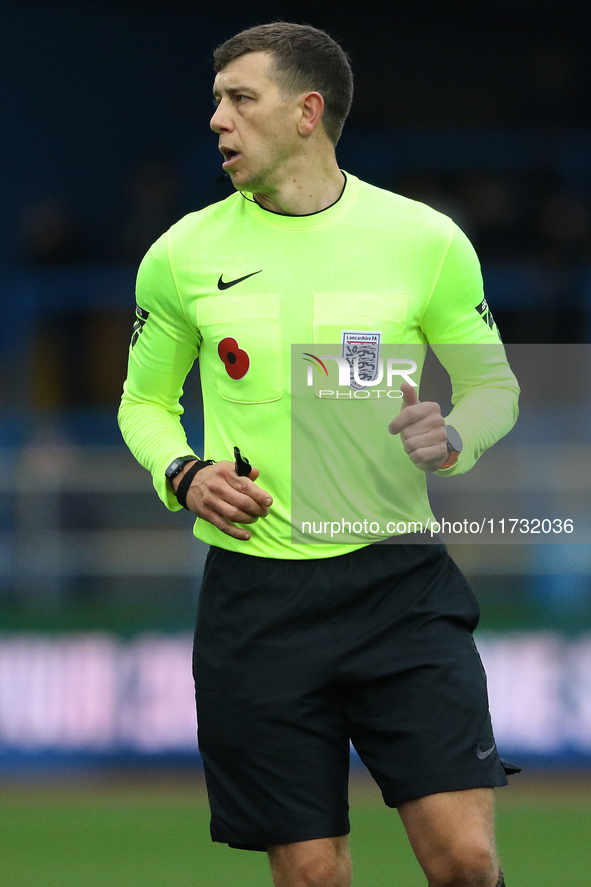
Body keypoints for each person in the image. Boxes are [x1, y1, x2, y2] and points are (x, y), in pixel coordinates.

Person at [118, 22, 519, 887]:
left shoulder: (424, 239)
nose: (218, 120)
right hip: (256, 603)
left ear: (307, 112)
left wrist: (453, 433)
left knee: (465, 860)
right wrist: (183, 474)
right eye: (216, 101)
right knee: (311, 874)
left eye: (240, 99)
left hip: (398, 589)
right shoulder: (181, 255)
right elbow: (144, 403)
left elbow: (497, 387)